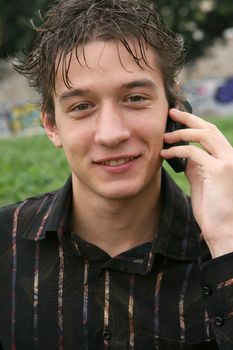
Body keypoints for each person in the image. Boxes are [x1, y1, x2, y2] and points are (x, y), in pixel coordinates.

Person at [1, 0, 233, 349]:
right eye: (81, 107)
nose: (111, 133)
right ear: (51, 125)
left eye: (135, 98)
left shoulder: (222, 250)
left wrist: (227, 241)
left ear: (176, 112)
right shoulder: (6, 244)